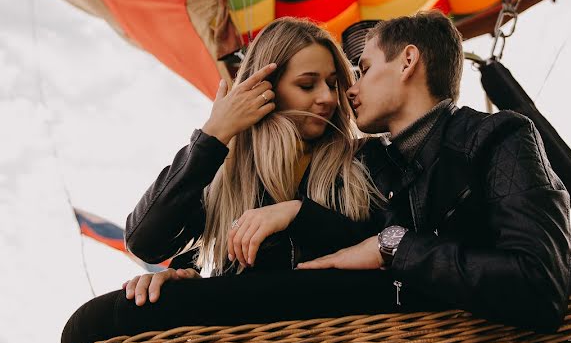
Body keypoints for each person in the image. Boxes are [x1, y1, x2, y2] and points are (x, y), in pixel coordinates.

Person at [297, 10, 571, 331]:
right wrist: (294, 213)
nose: (350, 91)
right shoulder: (381, 171)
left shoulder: (499, 137)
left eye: (365, 70)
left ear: (407, 61)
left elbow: (539, 286)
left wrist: (396, 246)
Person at [121, 17, 379, 307]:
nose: (328, 98)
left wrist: (298, 214)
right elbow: (144, 241)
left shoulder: (362, 159)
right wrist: (213, 136)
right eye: (307, 85)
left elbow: (391, 243)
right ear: (265, 90)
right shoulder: (225, 175)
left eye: (332, 84)